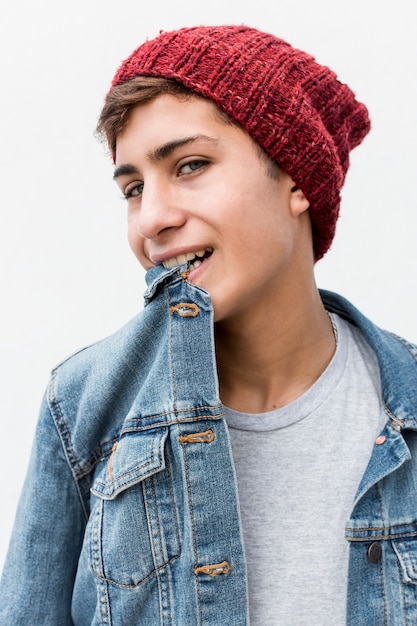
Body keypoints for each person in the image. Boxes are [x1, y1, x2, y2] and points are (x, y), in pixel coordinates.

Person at [1, 24, 416, 626]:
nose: (152, 219)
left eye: (190, 165)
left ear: (297, 178)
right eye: (134, 188)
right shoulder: (84, 404)